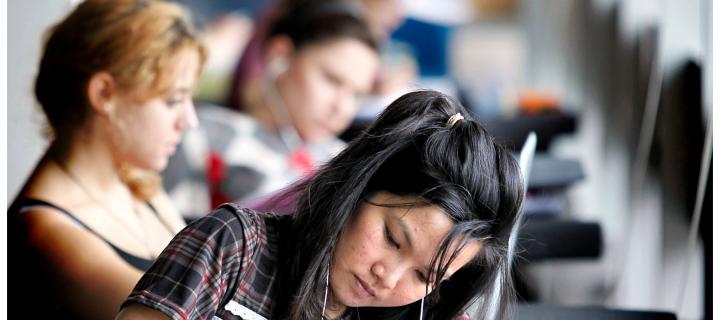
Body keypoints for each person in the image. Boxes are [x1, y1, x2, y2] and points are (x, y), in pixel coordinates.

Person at [117, 90, 524, 320]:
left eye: (424, 275)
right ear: (356, 187)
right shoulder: (236, 248)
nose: (387, 277)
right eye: (391, 239)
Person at [8, 0, 206, 318]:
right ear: (103, 95)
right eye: (172, 101)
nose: (189, 120)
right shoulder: (47, 232)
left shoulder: (137, 182)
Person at [163, 1, 380, 216]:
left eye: (358, 94)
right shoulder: (200, 132)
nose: (342, 107)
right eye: (332, 80)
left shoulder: (348, 164)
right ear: (280, 55)